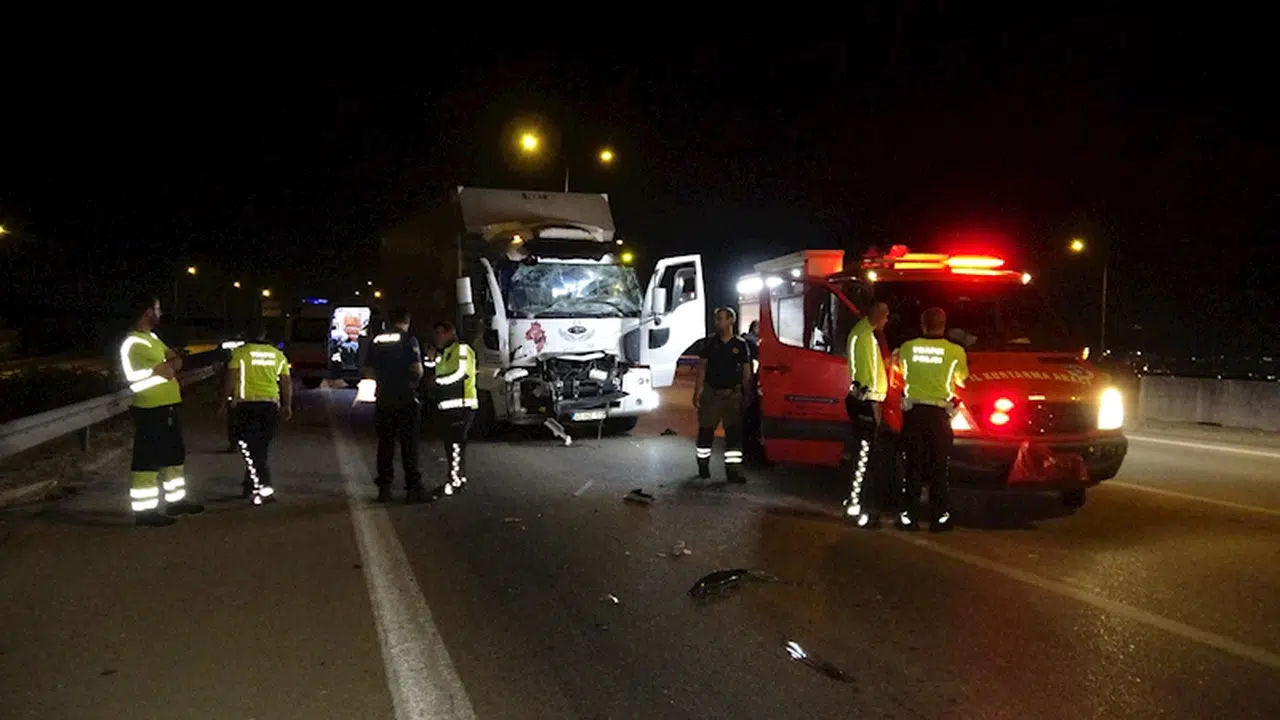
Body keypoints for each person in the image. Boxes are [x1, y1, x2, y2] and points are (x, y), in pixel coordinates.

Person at [118, 293, 203, 526]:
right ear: (147, 312)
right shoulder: (135, 342)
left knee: (174, 454)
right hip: (149, 407)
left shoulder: (152, 338)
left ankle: (176, 501)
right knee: (148, 459)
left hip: (166, 406)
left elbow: (175, 359)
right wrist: (171, 365)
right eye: (157, 309)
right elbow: (169, 369)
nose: (161, 313)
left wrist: (172, 364)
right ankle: (145, 513)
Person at [893, 307, 969, 532]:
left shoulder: (908, 347)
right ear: (944, 324)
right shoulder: (955, 351)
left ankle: (909, 517)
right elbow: (963, 380)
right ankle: (939, 518)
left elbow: (902, 371)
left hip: (914, 413)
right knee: (939, 467)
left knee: (913, 466)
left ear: (922, 324)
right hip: (939, 416)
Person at [221, 320, 292, 505]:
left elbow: (231, 379)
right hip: (270, 406)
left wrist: (223, 403)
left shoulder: (239, 353)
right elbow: (286, 382)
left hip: (246, 406)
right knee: (260, 448)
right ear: (264, 335)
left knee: (251, 448)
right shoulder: (277, 355)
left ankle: (264, 489)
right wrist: (287, 405)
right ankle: (249, 485)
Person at [368, 307, 427, 504]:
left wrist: (383, 381)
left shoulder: (377, 340)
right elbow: (417, 370)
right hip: (405, 397)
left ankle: (384, 489)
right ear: (407, 320)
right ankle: (413, 489)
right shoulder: (409, 340)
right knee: (409, 444)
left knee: (386, 443)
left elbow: (368, 369)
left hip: (384, 396)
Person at [844, 302, 890, 528]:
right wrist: (873, 404)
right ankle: (857, 509)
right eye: (886, 317)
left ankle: (856, 504)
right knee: (863, 458)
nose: (887, 321)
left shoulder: (863, 333)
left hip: (864, 401)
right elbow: (866, 376)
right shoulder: (864, 337)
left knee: (862, 456)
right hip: (866, 403)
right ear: (879, 316)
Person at [693, 307, 752, 482]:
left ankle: (733, 471)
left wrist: (747, 394)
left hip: (732, 395)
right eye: (716, 318)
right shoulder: (709, 343)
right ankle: (703, 466)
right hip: (712, 394)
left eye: (720, 318)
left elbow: (746, 371)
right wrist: (698, 391)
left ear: (730, 321)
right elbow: (702, 368)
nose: (717, 322)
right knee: (706, 431)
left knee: (733, 434)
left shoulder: (740, 345)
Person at [424, 320, 476, 499]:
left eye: (439, 333)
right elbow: (435, 369)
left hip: (462, 404)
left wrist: (438, 383)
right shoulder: (443, 352)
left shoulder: (461, 349)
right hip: (448, 405)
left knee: (456, 445)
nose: (436, 337)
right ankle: (457, 479)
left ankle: (455, 481)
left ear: (449, 332)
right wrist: (430, 360)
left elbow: (461, 373)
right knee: (452, 446)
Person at [740, 320, 764, 465]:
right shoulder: (750, 341)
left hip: (748, 382)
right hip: (748, 383)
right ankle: (749, 450)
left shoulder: (746, 340)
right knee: (750, 415)